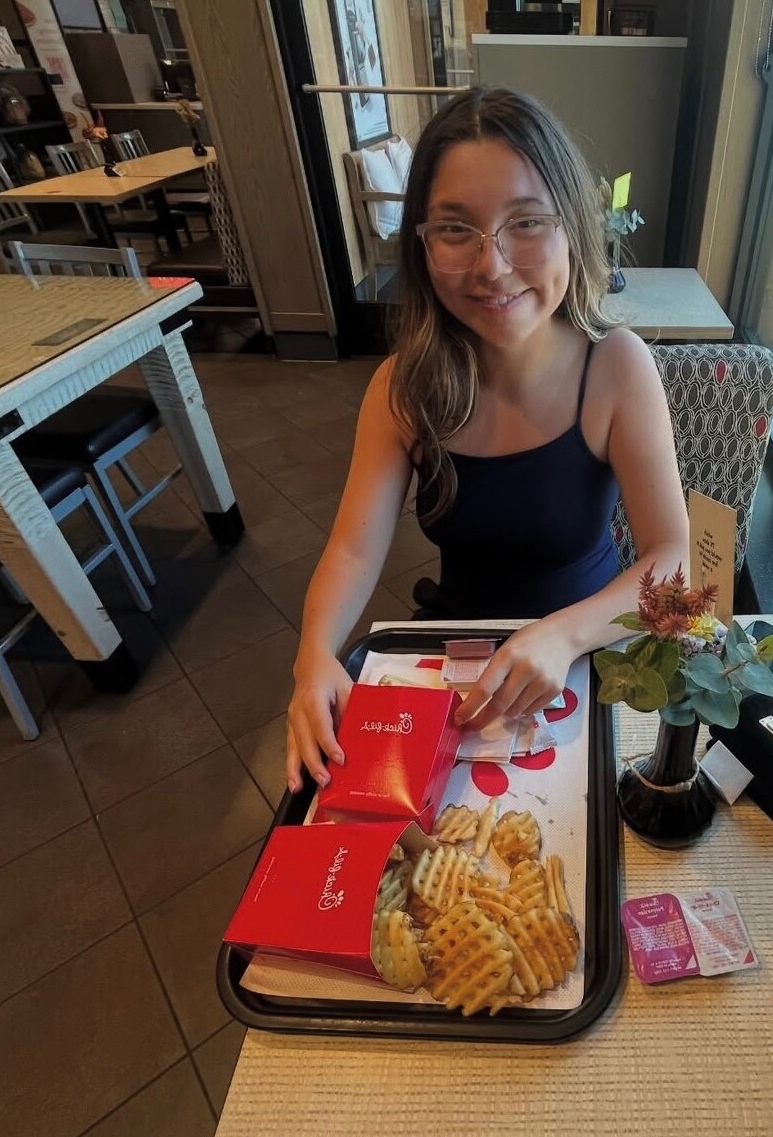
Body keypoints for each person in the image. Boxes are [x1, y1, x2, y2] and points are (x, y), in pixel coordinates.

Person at [285, 86, 688, 794]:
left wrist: (562, 634)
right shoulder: (402, 386)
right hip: (458, 663)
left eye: (525, 222)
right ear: (421, 245)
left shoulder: (616, 366)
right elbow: (352, 550)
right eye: (455, 229)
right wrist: (313, 656)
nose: (492, 266)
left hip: (593, 651)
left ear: (572, 227)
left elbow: (672, 558)